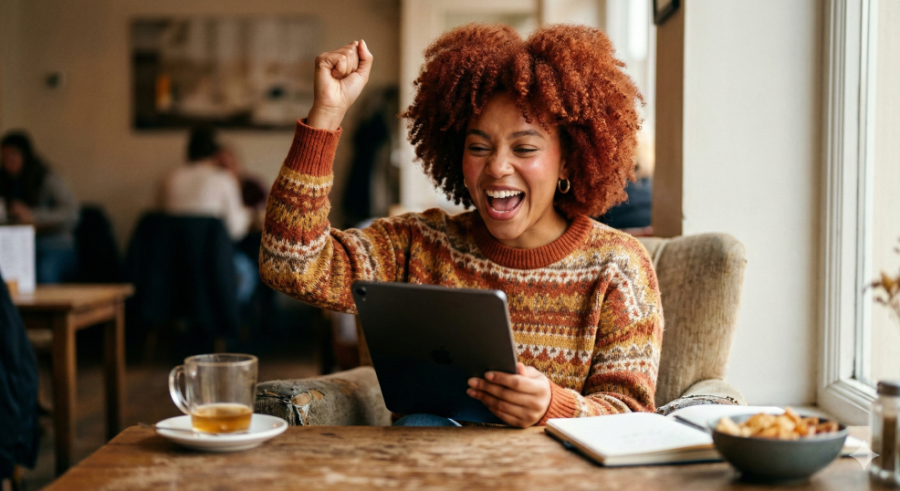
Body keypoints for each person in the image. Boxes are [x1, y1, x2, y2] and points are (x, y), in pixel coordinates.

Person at [260, 24, 663, 428]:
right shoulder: (420, 245)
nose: (497, 167)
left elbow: (632, 416)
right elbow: (290, 264)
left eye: (524, 148)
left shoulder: (619, 267)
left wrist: (552, 407)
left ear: (569, 161)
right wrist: (326, 116)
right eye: (478, 147)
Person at [160, 126, 257, 304]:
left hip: (173, 267)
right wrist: (247, 214)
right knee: (253, 264)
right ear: (215, 153)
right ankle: (239, 323)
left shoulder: (170, 178)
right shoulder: (223, 179)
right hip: (215, 266)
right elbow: (236, 231)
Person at [0, 131, 80, 283]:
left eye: (13, 154)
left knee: (45, 270)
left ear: (25, 155)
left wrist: (33, 216)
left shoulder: (45, 177)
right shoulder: (4, 182)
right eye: (4, 156)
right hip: (16, 247)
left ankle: (48, 307)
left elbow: (72, 213)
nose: (9, 160)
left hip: (53, 244)